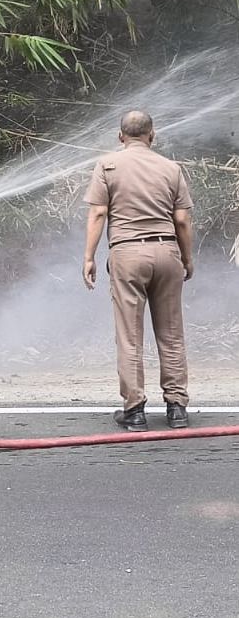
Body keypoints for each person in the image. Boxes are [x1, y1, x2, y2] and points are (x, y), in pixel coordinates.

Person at [82, 110, 194, 432]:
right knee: (171, 334)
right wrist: (187, 259)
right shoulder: (171, 168)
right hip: (167, 250)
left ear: (120, 137)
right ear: (152, 135)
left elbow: (98, 213)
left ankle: (134, 411)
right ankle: (177, 408)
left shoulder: (107, 165)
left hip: (127, 253)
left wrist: (89, 257)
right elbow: (183, 220)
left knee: (130, 337)